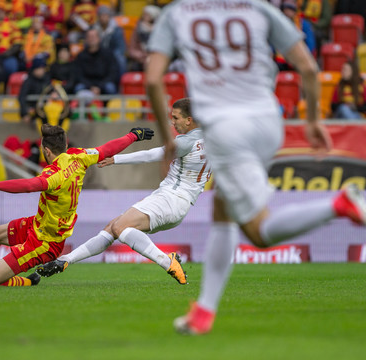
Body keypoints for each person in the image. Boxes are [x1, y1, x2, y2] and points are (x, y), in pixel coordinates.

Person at [145, 0, 366, 335]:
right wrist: (312, 120)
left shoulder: (178, 12)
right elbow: (307, 67)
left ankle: (338, 204)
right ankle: (204, 311)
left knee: (259, 232)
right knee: (222, 206)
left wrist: (168, 141)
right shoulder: (258, 8)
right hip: (268, 120)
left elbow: (151, 80)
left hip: (226, 127)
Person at [0, 125, 154, 286]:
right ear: (65, 145)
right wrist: (133, 135)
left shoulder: (53, 175)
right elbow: (107, 149)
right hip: (39, 225)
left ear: (46, 151)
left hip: (45, 242)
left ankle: (28, 283)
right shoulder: (79, 157)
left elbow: (30, 185)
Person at [35, 98, 210, 284]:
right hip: (179, 203)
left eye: (175, 118)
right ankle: (64, 260)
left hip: (170, 198)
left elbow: (153, 155)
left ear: (189, 120)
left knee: (120, 228)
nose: (172, 122)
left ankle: (168, 261)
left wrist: (116, 159)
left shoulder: (186, 142)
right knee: (112, 227)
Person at [73, 27, 119, 97]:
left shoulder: (108, 54)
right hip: (87, 84)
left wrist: (99, 87)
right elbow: (79, 75)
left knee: (110, 87)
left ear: (99, 39)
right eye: (89, 37)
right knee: (78, 88)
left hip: (103, 83)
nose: (92, 39)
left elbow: (112, 73)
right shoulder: (81, 56)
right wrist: (90, 87)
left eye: (94, 36)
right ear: (86, 40)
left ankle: (110, 107)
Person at [93, 5, 127, 77]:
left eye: (105, 15)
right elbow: (89, 44)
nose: (103, 18)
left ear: (109, 16)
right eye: (101, 15)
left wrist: (110, 55)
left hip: (112, 53)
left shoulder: (117, 29)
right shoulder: (93, 29)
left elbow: (120, 47)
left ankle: (121, 83)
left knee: (121, 59)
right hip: (98, 53)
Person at [18, 57, 51, 124]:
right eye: (39, 68)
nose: (41, 71)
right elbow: (22, 96)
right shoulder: (28, 81)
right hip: (32, 111)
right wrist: (25, 113)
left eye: (42, 68)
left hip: (44, 111)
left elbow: (50, 91)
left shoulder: (47, 79)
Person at [127, 5, 161, 72]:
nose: (144, 16)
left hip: (156, 58)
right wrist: (141, 56)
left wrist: (152, 57)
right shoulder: (138, 29)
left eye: (147, 14)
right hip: (140, 58)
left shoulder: (160, 30)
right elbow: (132, 49)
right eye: (144, 14)